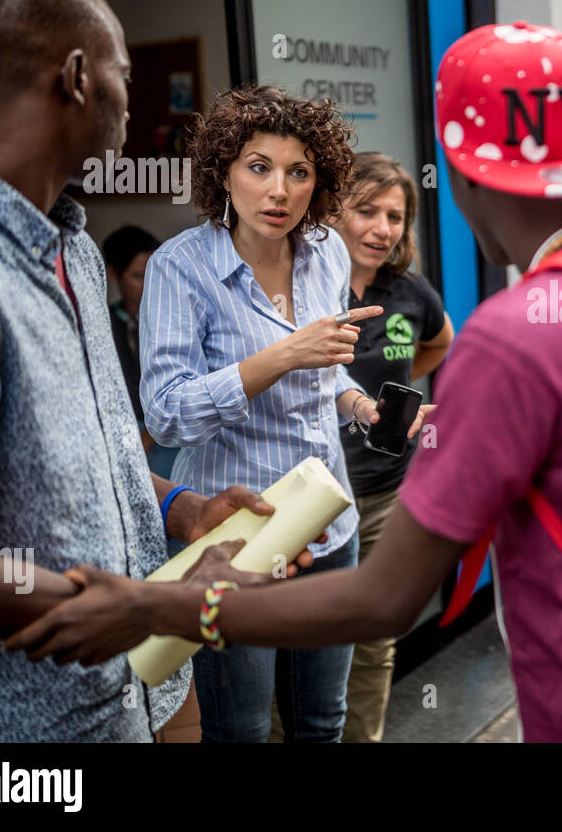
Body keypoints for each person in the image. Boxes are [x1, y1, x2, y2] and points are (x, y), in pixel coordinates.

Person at [7, 21, 562, 743]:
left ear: (460, 173)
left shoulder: (510, 339)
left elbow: (387, 595)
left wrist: (156, 605)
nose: (281, 190)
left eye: (301, 173)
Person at [0, 0, 293, 742]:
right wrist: (161, 604)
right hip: (31, 737)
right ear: (76, 76)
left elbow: (90, 462)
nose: (132, 102)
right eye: (124, 72)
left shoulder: (77, 250)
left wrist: (181, 507)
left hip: (144, 694)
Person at [137, 84, 387, 743]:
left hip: (330, 529)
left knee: (321, 724)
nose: (279, 190)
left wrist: (359, 401)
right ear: (223, 171)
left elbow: (325, 368)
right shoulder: (180, 268)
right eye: (259, 167)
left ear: (319, 181)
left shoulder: (328, 250)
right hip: (234, 538)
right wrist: (279, 356)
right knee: (240, 729)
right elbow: (165, 418)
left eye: (299, 172)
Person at [271, 152, 452, 743]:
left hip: (380, 497)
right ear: (334, 210)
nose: (382, 228)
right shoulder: (298, 280)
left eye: (396, 216)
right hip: (300, 499)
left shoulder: (407, 291)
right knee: (284, 646)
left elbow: (438, 344)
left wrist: (389, 397)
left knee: (372, 645)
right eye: (366, 210)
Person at [103, 225, 178, 478]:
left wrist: (149, 434)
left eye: (153, 273)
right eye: (137, 276)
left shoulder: (176, 323)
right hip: (119, 442)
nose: (149, 284)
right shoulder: (101, 325)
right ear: (114, 274)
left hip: (169, 441)